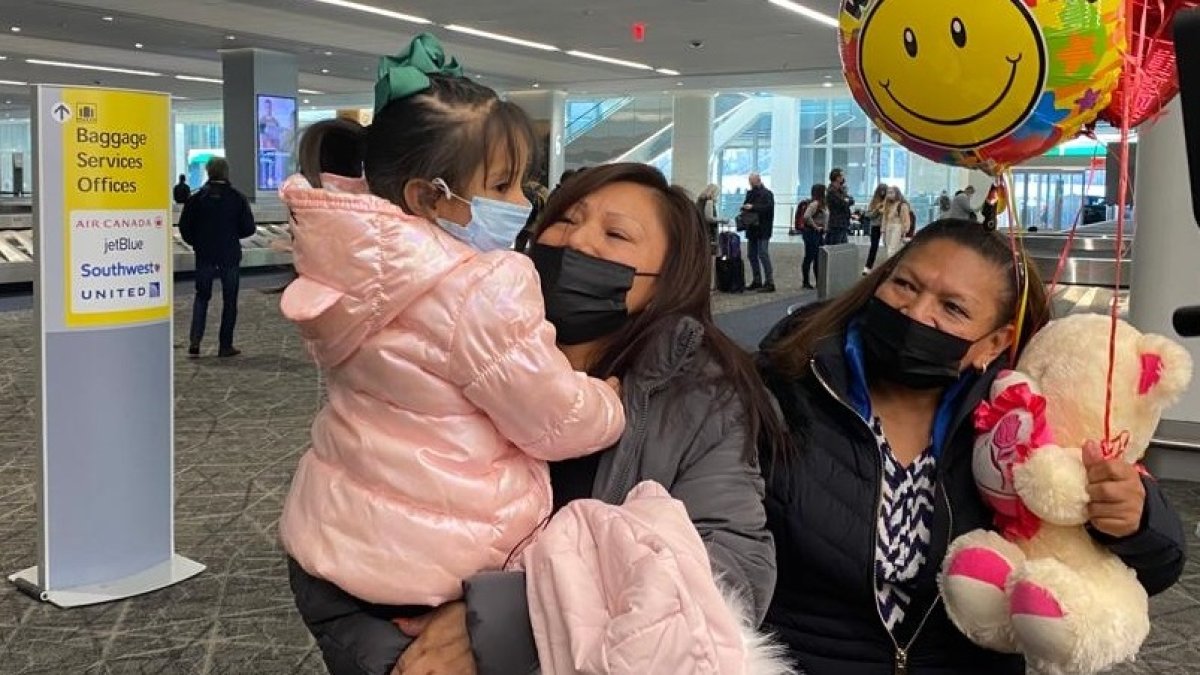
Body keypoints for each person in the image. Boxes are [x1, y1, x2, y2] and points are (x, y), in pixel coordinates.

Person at [294, 161, 787, 675]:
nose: (578, 243)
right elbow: (337, 530)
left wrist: (521, 619)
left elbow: (732, 569)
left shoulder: (701, 398)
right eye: (567, 219)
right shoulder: (451, 353)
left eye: (616, 233)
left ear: (665, 282)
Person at [278, 35, 628, 675]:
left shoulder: (354, 266)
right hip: (434, 562)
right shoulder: (481, 285)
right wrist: (607, 400)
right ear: (427, 196)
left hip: (337, 537)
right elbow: (551, 419)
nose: (521, 199)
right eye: (501, 183)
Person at [757, 219, 1186, 675]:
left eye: (953, 308)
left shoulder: (1020, 425)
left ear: (994, 343)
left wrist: (1135, 519)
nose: (917, 313)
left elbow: (1157, 567)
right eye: (904, 284)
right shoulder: (784, 391)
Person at [178, 157, 256, 357]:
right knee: (230, 300)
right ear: (226, 172)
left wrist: (196, 243)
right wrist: (231, 234)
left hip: (204, 254)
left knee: (201, 297)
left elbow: (185, 227)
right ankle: (225, 345)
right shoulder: (237, 198)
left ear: (208, 172)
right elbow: (248, 228)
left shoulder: (196, 199)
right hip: (229, 254)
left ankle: (195, 342)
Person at [742, 172, 777, 292]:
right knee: (751, 255)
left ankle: (769, 281)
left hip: (763, 228)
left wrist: (753, 207)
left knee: (763, 253)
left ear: (758, 180)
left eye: (752, 182)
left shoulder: (767, 194)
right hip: (752, 228)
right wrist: (745, 207)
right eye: (750, 182)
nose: (751, 185)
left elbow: (768, 208)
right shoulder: (750, 193)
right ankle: (757, 280)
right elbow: (746, 205)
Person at [801, 183, 827, 290]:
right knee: (810, 257)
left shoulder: (821, 204)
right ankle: (806, 281)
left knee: (817, 258)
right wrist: (816, 226)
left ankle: (817, 281)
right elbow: (806, 216)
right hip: (812, 233)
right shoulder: (815, 204)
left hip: (817, 233)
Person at [881, 185, 912, 260]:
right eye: (888, 193)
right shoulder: (887, 205)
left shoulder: (902, 205)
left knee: (892, 249)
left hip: (897, 226)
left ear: (897, 193)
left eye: (891, 193)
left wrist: (905, 230)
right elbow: (885, 218)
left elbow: (906, 219)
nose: (889, 195)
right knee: (889, 248)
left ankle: (891, 266)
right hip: (888, 226)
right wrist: (883, 230)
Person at [863, 183, 888, 273]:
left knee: (889, 247)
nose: (883, 193)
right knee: (874, 247)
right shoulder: (874, 201)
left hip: (886, 226)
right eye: (881, 190)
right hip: (875, 226)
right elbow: (868, 215)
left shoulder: (889, 201)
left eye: (884, 190)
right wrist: (877, 210)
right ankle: (868, 267)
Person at [826, 168, 854, 245]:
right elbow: (842, 202)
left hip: (843, 222)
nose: (843, 177)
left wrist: (847, 200)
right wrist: (846, 200)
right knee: (836, 246)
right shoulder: (832, 191)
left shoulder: (841, 190)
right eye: (842, 175)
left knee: (843, 246)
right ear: (837, 177)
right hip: (836, 223)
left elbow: (851, 200)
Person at [697, 183, 721, 249]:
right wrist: (721, 219)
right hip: (709, 230)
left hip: (701, 229)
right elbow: (709, 218)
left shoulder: (700, 201)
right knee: (711, 252)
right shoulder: (709, 202)